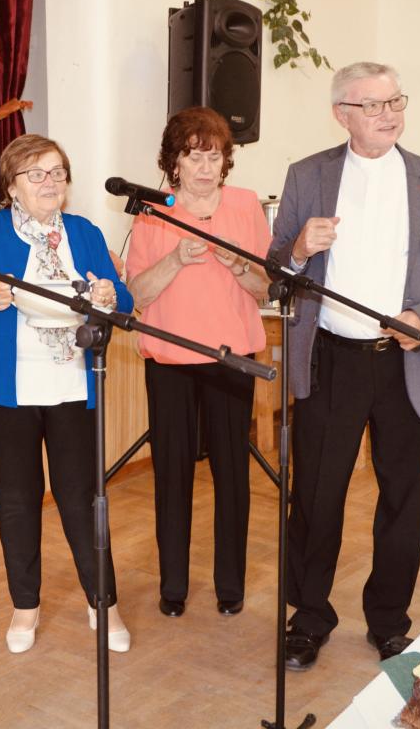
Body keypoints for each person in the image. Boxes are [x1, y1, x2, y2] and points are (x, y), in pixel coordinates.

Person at [268, 62, 420, 671]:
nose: (389, 115)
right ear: (342, 114)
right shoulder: (308, 175)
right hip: (330, 361)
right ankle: (309, 617)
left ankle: (389, 621)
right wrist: (298, 249)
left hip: (407, 363)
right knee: (316, 497)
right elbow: (275, 266)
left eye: (395, 102)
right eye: (373, 105)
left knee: (403, 502)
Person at [0, 134, 134, 654]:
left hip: (71, 385)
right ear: (12, 186)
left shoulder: (84, 232)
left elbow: (122, 299)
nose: (50, 182)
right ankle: (25, 606)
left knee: (82, 499)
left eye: (58, 172)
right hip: (5, 391)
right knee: (19, 501)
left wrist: (110, 295)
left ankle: (104, 602)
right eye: (37, 173)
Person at [125, 107, 270, 618]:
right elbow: (137, 294)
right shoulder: (152, 211)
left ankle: (231, 585)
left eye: (214, 156)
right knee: (172, 474)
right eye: (193, 156)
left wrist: (240, 266)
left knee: (232, 474)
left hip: (231, 357)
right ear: (174, 163)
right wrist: (174, 260)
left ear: (226, 161)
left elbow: (264, 288)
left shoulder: (246, 205)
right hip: (169, 358)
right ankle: (174, 586)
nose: (205, 167)